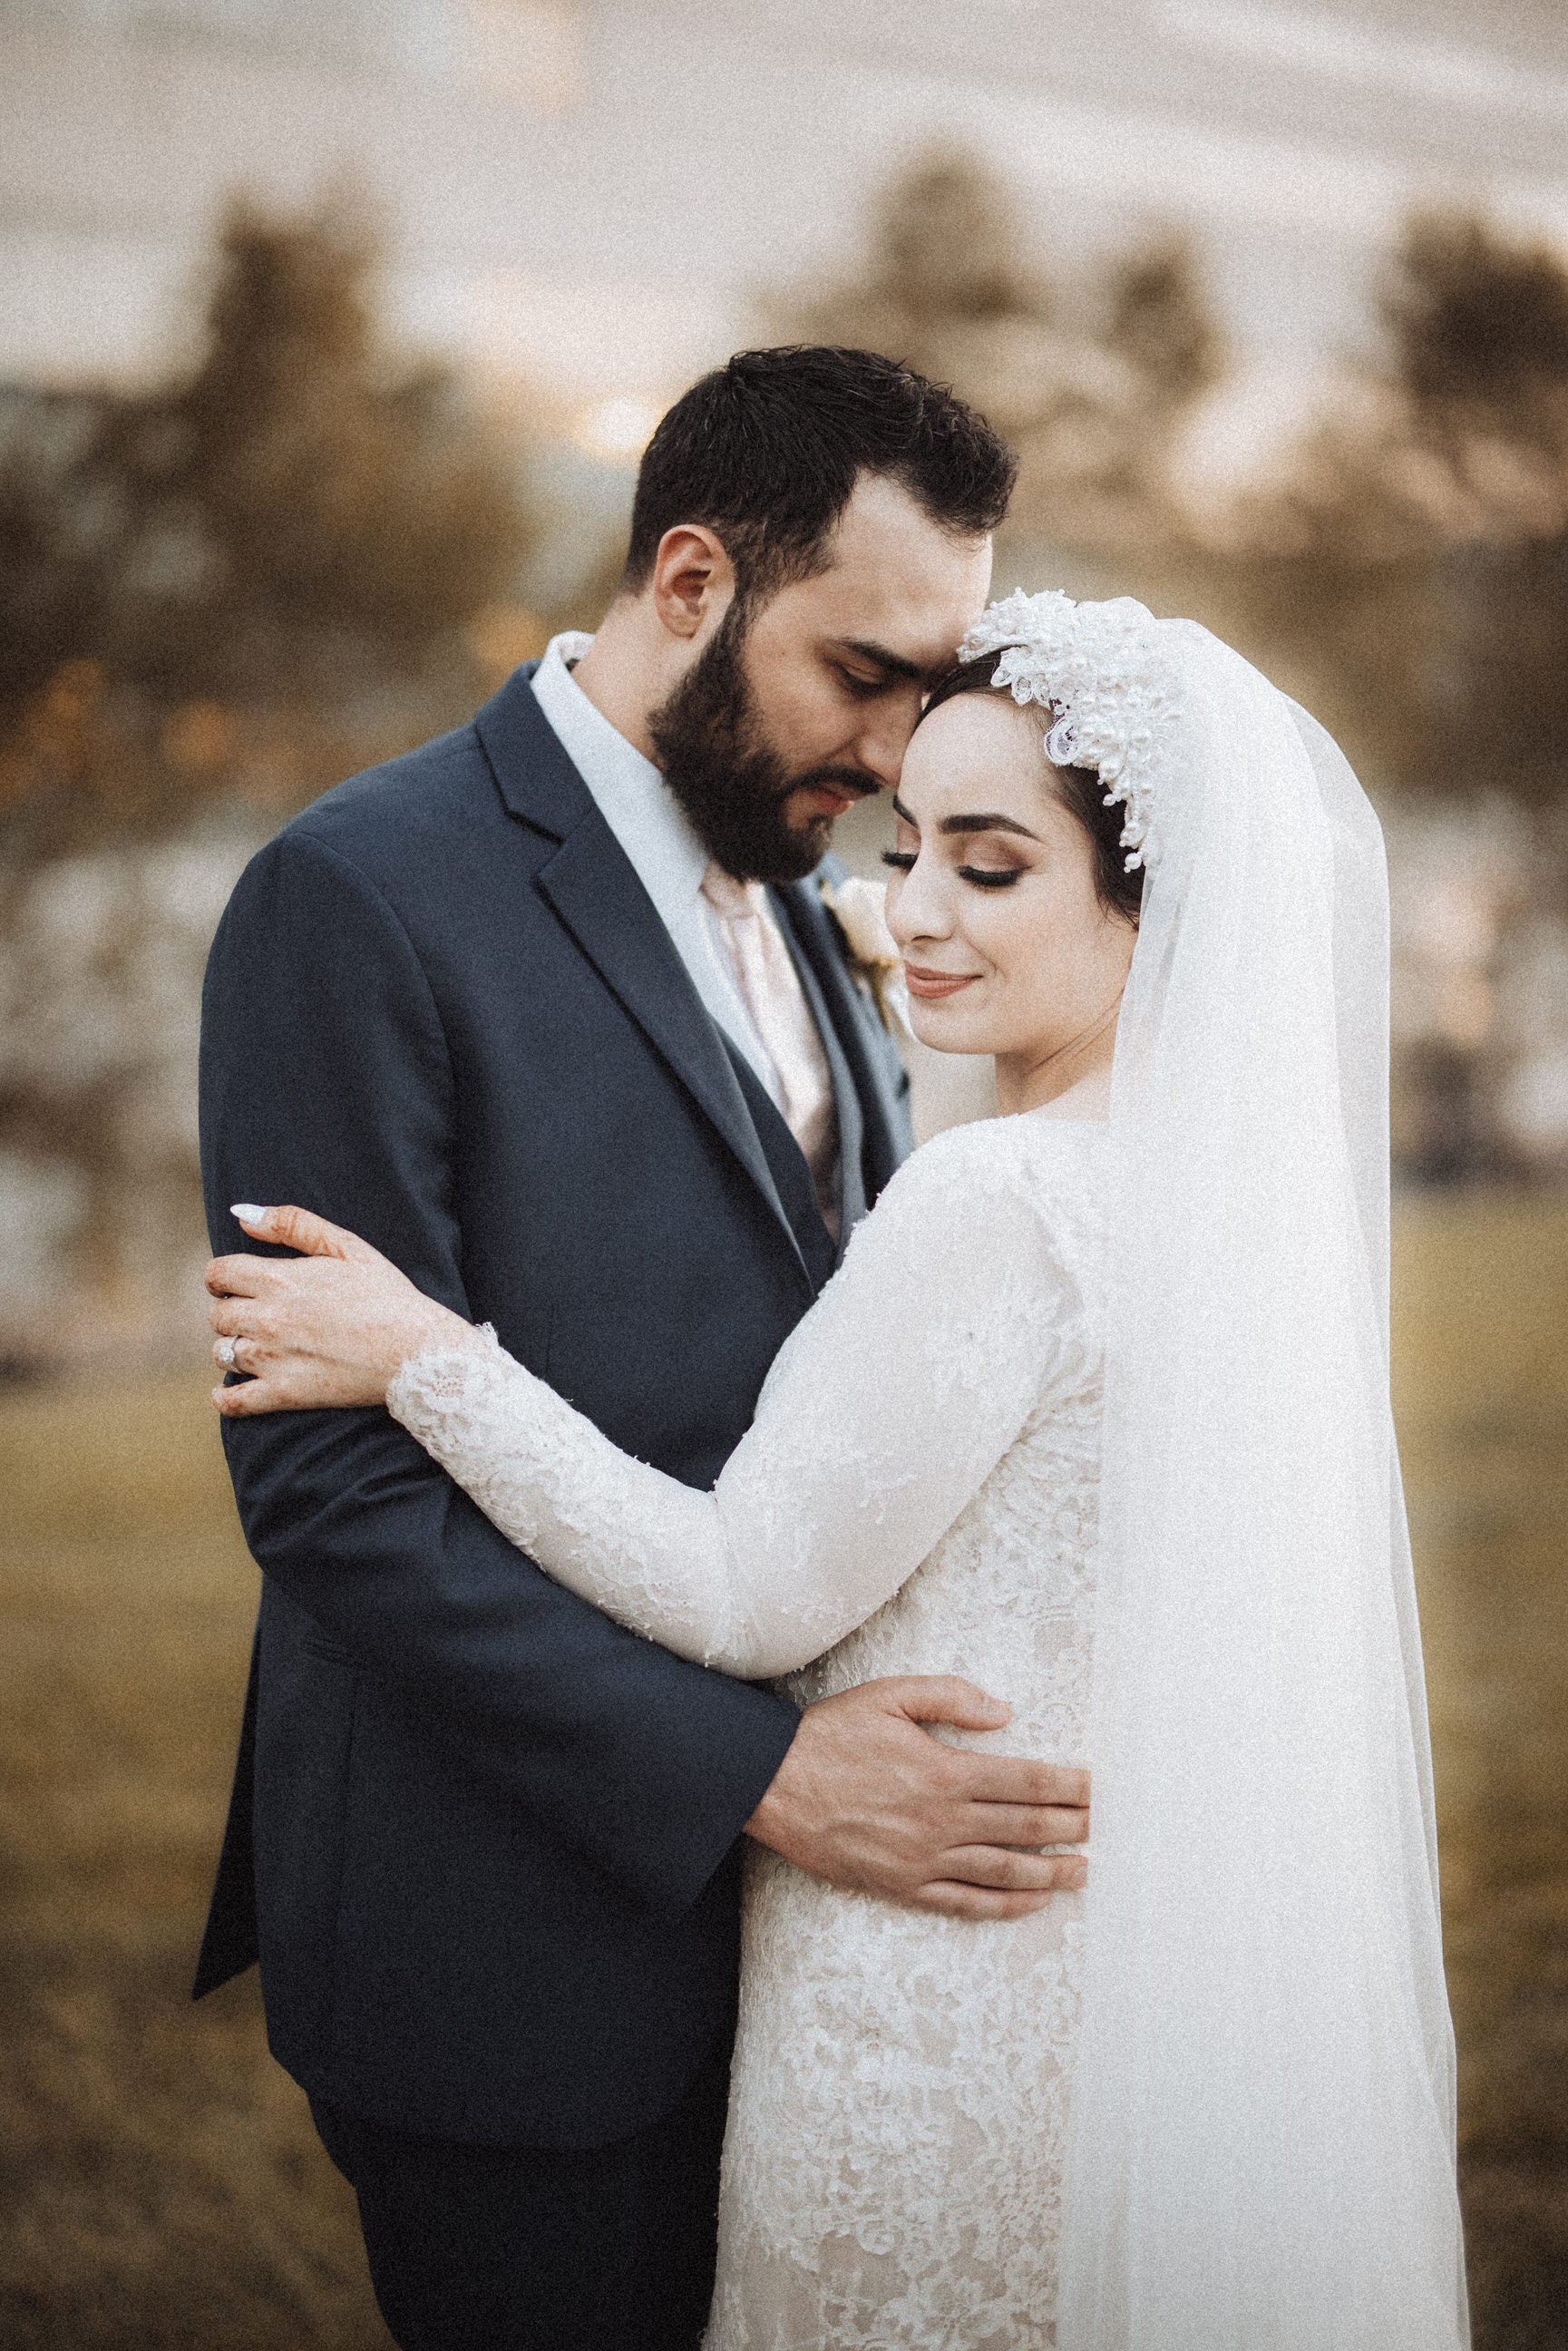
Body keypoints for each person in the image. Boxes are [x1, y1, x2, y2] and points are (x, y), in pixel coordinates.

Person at [206, 591, 1471, 2350]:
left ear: (1156, 905)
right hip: (1112, 1984)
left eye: (993, 865)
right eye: (908, 845)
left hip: (920, 1990)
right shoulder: (1237, 1204)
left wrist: (427, 1357)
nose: (907, 907)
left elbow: (741, 1587)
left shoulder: (1003, 1197)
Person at [194, 347, 1092, 2351]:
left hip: (820, 1967)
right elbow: (329, 1493)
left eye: (927, 692)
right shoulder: (352, 895)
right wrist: (763, 1778)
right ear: (689, 584)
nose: (892, 746)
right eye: (861, 671)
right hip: (502, 1931)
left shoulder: (825, 895)